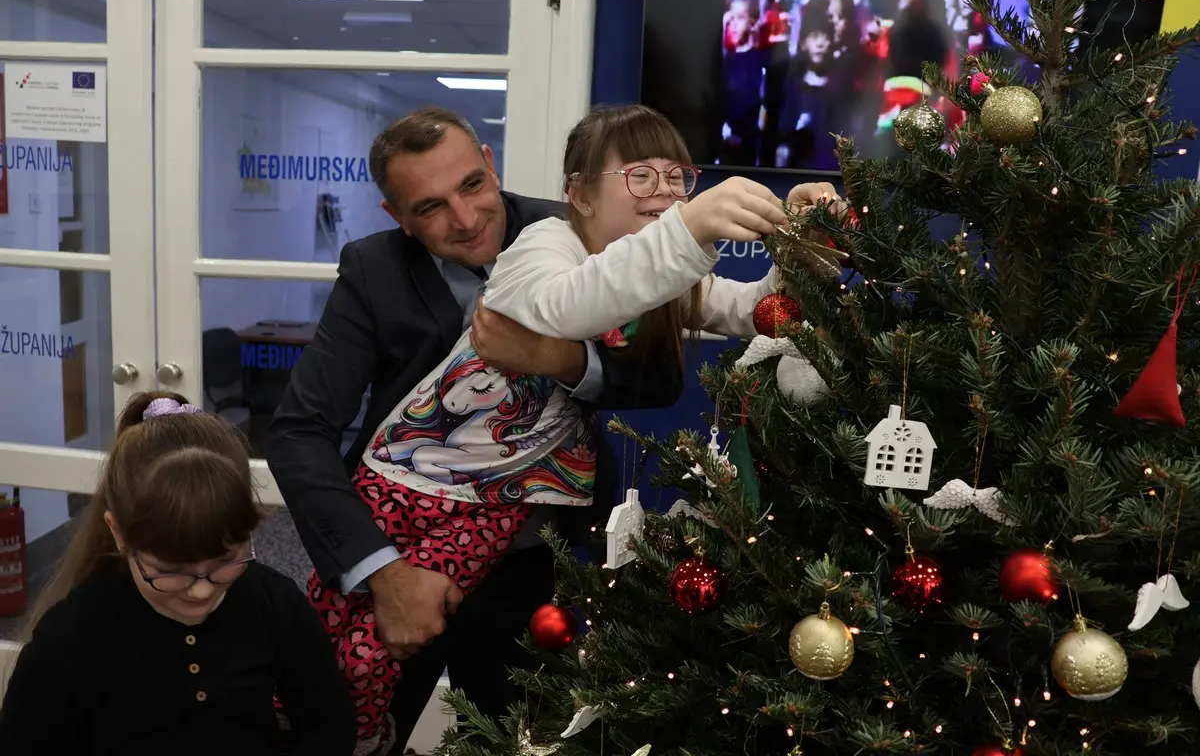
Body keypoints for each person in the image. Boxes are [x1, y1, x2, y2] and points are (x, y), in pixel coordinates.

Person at [266, 105, 843, 755]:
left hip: (527, 544)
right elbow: (579, 297)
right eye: (430, 207)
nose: (465, 218)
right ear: (396, 215)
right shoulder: (548, 241)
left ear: (491, 164)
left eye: (472, 185)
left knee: (523, 733)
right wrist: (383, 572)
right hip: (409, 501)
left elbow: (730, 321)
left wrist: (802, 253)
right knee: (347, 676)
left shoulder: (627, 238)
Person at [0, 391, 355, 756]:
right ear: (119, 533)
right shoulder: (70, 637)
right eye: (170, 571)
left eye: (224, 561)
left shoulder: (275, 604)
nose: (201, 591)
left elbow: (330, 724)